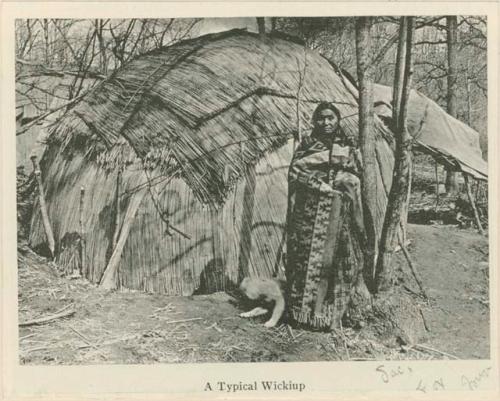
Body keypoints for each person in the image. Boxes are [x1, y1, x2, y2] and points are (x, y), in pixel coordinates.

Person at [285, 102, 367, 329]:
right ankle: (304, 314)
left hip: (341, 215)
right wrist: (321, 186)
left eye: (331, 118)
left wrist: (342, 181)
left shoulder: (347, 145)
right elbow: (295, 173)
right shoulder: (308, 145)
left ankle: (332, 317)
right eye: (321, 118)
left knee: (341, 263)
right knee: (307, 263)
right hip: (311, 215)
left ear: (338, 120)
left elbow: (355, 175)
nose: (326, 122)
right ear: (314, 121)